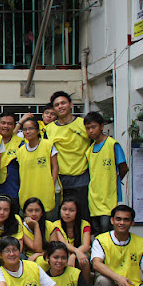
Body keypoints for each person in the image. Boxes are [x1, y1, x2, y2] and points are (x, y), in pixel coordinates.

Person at [44, 91, 91, 220]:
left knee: (82, 218)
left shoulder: (84, 124)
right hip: (60, 180)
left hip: (81, 178)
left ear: (71, 104)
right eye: (57, 105)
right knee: (60, 219)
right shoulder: (49, 129)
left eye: (63, 103)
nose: (60, 106)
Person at [84, 112, 128, 235]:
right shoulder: (89, 150)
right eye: (88, 128)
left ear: (102, 126)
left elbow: (124, 168)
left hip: (109, 199)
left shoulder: (112, 145)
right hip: (94, 199)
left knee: (107, 232)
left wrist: (114, 181)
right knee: (97, 235)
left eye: (94, 127)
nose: (91, 131)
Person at [17, 117, 58, 217]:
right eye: (25, 129)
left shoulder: (48, 145)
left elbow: (55, 167)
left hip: (45, 192)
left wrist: (51, 185)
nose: (28, 132)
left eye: (31, 128)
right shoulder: (20, 151)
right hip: (27, 191)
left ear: (38, 131)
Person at [54, 198, 92, 283]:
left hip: (81, 253)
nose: (67, 213)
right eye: (64, 209)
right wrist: (76, 252)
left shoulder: (85, 224)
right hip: (64, 252)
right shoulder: (55, 225)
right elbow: (63, 244)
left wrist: (74, 255)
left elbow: (86, 245)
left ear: (77, 212)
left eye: (71, 210)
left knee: (84, 259)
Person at [22, 197, 63, 268]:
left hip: (48, 256)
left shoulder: (49, 225)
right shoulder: (22, 228)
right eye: (30, 211)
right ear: (25, 213)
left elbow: (54, 249)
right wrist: (36, 226)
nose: (34, 214)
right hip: (30, 258)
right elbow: (37, 249)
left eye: (37, 210)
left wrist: (39, 254)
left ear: (42, 213)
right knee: (40, 262)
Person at [0, 112, 23, 208]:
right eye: (3, 123)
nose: (6, 126)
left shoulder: (21, 144)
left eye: (10, 124)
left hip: (13, 190)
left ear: (14, 126)